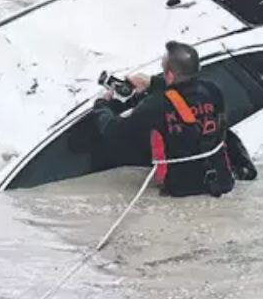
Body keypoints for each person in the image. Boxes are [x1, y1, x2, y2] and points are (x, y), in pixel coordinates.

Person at [91, 40, 254, 197]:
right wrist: (153, 82)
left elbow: (112, 130)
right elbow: (187, 91)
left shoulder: (156, 106)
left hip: (181, 191)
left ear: (168, 75)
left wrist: (102, 105)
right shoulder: (213, 91)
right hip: (223, 182)